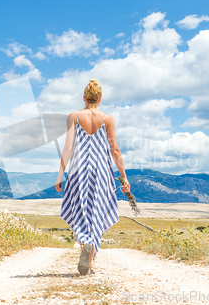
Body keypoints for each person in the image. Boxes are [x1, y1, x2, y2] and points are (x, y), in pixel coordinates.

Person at [55, 79, 131, 275]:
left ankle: (85, 246)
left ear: (84, 98)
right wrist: (123, 178)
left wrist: (60, 174)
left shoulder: (74, 116)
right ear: (100, 98)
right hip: (101, 172)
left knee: (81, 212)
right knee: (96, 210)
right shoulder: (108, 119)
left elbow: (69, 147)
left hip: (79, 170)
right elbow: (115, 150)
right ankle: (89, 260)